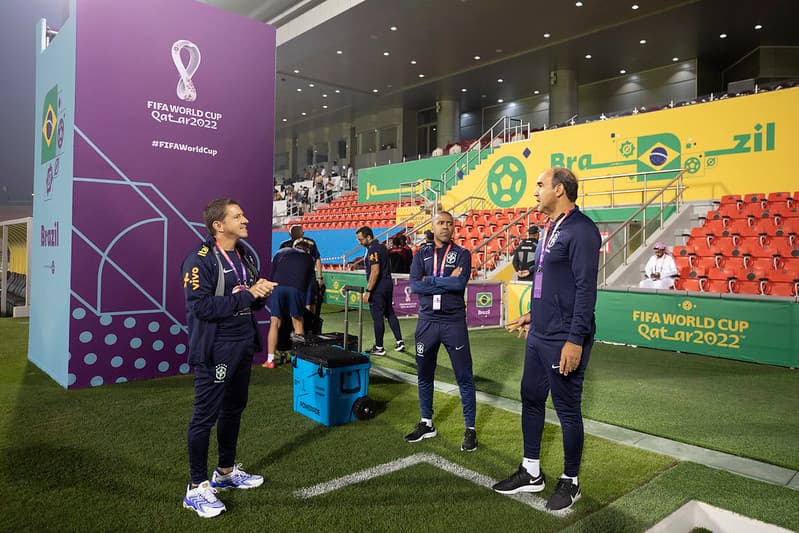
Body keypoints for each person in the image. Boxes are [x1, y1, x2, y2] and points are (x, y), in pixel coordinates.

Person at [493, 167, 601, 512]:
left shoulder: (582, 230)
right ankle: (531, 471)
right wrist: (533, 315)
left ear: (559, 189)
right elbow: (550, 282)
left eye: (540, 185)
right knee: (531, 397)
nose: (535, 191)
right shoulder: (549, 228)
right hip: (540, 331)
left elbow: (585, 289)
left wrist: (575, 339)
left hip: (564, 337)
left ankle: (571, 481)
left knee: (567, 410)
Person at [181, 198, 277, 518]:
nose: (245, 219)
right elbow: (201, 307)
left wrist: (258, 293)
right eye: (237, 216)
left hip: (243, 343)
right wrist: (246, 296)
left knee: (234, 409)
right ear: (218, 225)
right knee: (204, 417)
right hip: (216, 348)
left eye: (243, 214)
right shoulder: (199, 259)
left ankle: (224, 473)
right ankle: (196, 488)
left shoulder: (244, 254)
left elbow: (247, 300)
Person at [405, 211, 477, 452]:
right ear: (433, 226)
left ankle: (470, 429)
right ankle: (427, 423)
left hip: (453, 322)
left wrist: (430, 281)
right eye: (441, 223)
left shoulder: (462, 254)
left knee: (464, 376)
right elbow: (415, 285)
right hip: (427, 322)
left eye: (449, 223)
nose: (446, 227)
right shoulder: (420, 254)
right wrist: (444, 280)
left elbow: (459, 283)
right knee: (424, 373)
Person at [264, 239, 315, 368]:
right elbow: (309, 282)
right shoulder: (309, 258)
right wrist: (307, 303)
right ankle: (300, 360)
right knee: (298, 322)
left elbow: (272, 273)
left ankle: (270, 360)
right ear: (306, 250)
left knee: (275, 322)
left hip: (277, 286)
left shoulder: (281, 252)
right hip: (296, 288)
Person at [355, 226, 405, 355]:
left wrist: (368, 291)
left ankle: (379, 347)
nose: (359, 242)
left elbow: (375, 271)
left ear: (368, 237)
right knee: (390, 313)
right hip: (387, 284)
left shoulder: (373, 249)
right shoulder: (382, 246)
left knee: (378, 317)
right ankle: (399, 341)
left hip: (378, 287)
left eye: (361, 239)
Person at [279, 224, 324, 314]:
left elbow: (317, 259)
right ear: (290, 234)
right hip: (292, 279)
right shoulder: (284, 245)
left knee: (310, 303)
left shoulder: (311, 243)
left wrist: (319, 277)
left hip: (308, 278)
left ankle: (310, 320)